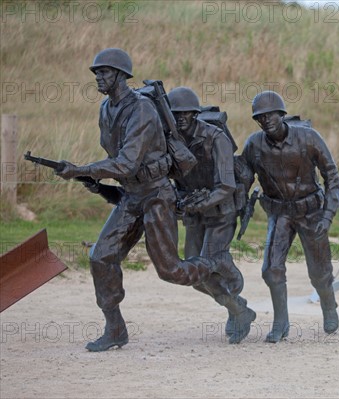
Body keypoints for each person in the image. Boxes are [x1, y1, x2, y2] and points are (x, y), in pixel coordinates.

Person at [56, 48, 253, 351]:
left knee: (171, 271)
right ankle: (116, 329)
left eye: (104, 72)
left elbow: (127, 162)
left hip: (156, 196)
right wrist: (96, 181)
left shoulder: (143, 110)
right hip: (132, 196)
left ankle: (216, 261)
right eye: (95, 72)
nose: (98, 77)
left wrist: (82, 169)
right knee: (100, 257)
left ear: (121, 75)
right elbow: (117, 160)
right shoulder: (106, 110)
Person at [241, 91, 339, 343]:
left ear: (282, 114)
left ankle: (328, 305)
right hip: (280, 213)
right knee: (271, 270)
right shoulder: (254, 144)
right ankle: (281, 322)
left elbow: (332, 176)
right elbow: (242, 177)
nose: (266, 121)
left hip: (311, 211)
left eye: (270, 115)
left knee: (319, 271)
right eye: (260, 117)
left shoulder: (309, 138)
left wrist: (327, 216)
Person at [167, 86, 255, 342]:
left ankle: (226, 268)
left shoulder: (216, 138)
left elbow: (226, 186)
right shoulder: (170, 140)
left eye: (187, 113)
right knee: (194, 277)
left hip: (220, 211)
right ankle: (237, 308)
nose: (181, 118)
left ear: (195, 113)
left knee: (206, 263)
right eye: (176, 114)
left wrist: (200, 203)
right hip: (194, 213)